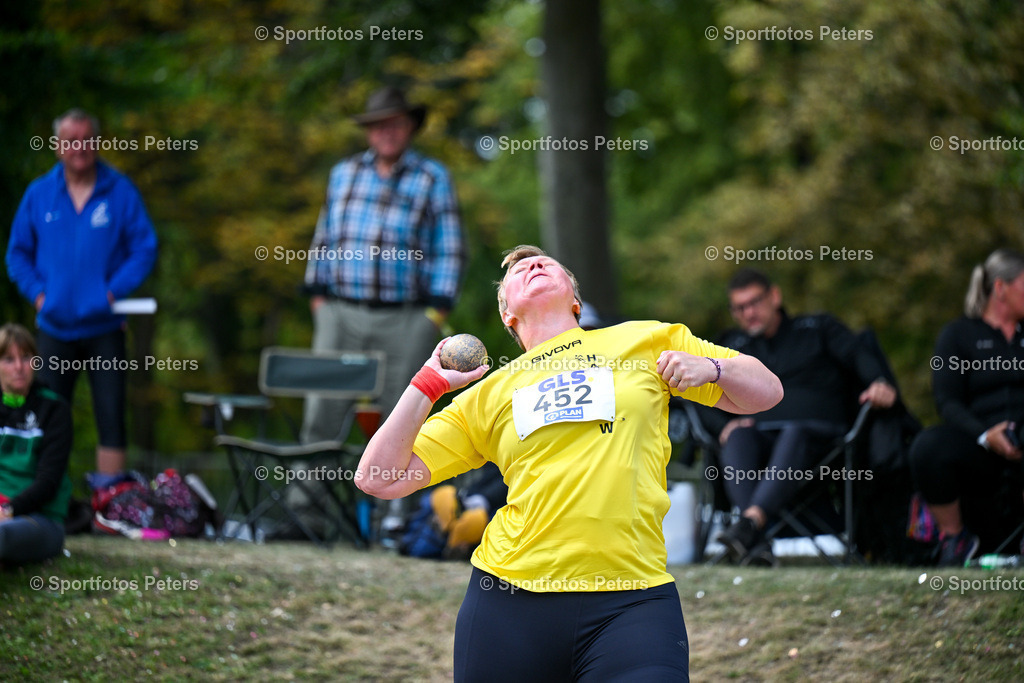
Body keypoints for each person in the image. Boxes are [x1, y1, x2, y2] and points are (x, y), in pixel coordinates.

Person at [357, 245, 782, 681]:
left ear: (575, 300)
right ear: (508, 316)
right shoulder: (487, 393)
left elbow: (767, 392)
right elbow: (377, 477)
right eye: (519, 271)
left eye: (547, 263)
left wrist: (712, 368)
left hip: (632, 601)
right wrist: (428, 383)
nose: (534, 265)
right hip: (508, 600)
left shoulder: (647, 340)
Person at [301, 85, 466, 443]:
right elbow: (324, 236)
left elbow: (449, 247)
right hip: (340, 313)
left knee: (403, 420)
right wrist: (319, 299)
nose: (386, 132)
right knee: (320, 416)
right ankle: (305, 500)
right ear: (368, 131)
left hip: (406, 318)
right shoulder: (343, 173)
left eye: (396, 124)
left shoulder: (432, 177)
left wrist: (434, 315)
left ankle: (395, 500)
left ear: (410, 128)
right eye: (378, 125)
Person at [6, 108, 158, 480]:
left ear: (97, 142)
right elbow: (17, 254)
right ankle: (43, 499)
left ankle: (109, 505)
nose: (80, 148)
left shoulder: (120, 191)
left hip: (105, 328)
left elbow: (145, 248)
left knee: (111, 414)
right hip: (54, 328)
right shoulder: (40, 194)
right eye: (71, 141)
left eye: (86, 140)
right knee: (45, 415)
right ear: (58, 146)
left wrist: (111, 291)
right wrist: (40, 295)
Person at [711, 268, 897, 565]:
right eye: (739, 307)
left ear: (775, 296)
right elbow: (700, 391)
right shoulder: (735, 349)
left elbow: (858, 355)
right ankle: (754, 538)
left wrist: (878, 381)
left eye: (755, 302)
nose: (749, 313)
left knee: (795, 431)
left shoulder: (817, 328)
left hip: (823, 440)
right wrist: (725, 424)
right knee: (737, 435)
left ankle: (749, 527)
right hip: (763, 440)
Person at [908, 248, 1024, 566]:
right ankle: (955, 538)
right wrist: (987, 434)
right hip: (980, 445)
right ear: (1001, 288)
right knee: (929, 446)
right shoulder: (958, 335)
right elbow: (947, 402)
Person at [0, 324, 73, 566]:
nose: (19, 367)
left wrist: (8, 510)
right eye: (9, 359)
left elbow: (48, 482)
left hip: (39, 520)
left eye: (26, 358)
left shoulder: (54, 409)